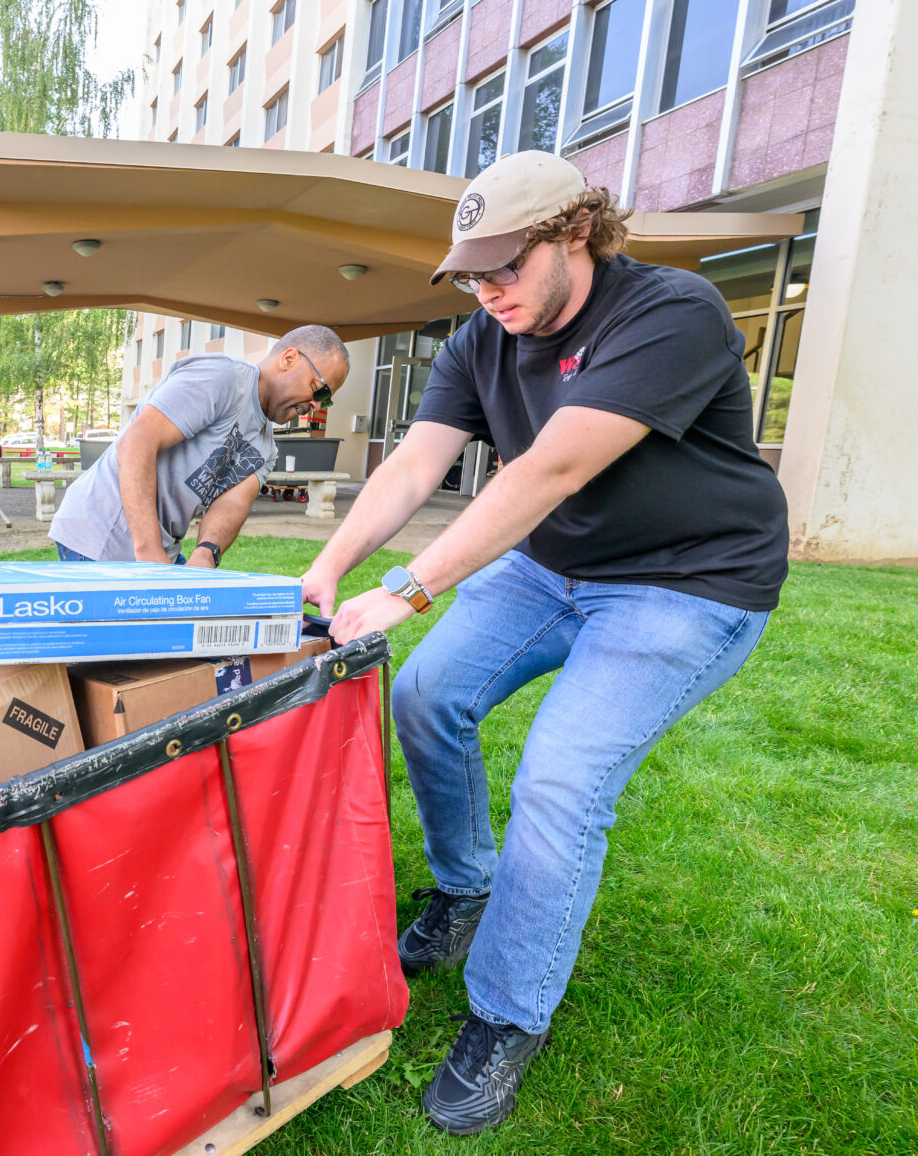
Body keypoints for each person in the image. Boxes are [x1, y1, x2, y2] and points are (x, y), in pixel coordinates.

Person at [300, 151, 787, 1135]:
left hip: (686, 583)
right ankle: (468, 884)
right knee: (426, 695)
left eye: (504, 268)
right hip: (549, 568)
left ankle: (505, 1013)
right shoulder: (481, 337)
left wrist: (406, 587)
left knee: (561, 780)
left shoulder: (674, 312)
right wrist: (329, 563)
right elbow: (415, 463)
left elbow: (551, 469)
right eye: (470, 273)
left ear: (573, 236)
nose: (485, 291)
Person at [49, 325, 350, 567]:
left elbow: (231, 505)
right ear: (289, 359)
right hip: (101, 531)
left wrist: (205, 555)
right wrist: (151, 557)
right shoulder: (223, 377)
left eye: (326, 398)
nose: (315, 404)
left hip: (157, 552)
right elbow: (137, 443)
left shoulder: (266, 448)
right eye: (318, 389)